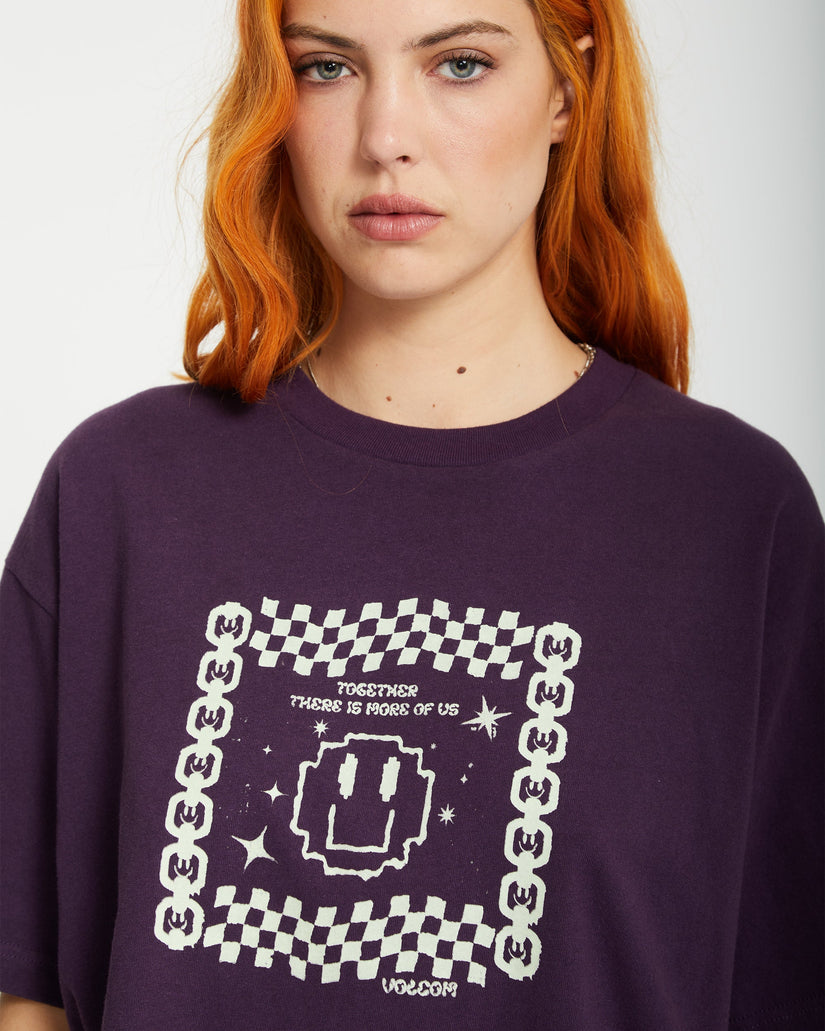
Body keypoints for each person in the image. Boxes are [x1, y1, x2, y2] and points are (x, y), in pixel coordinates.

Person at [0, 0, 821, 1026]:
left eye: (460, 63)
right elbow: (26, 998)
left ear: (569, 90)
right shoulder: (121, 493)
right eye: (327, 68)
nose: (386, 136)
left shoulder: (734, 520)